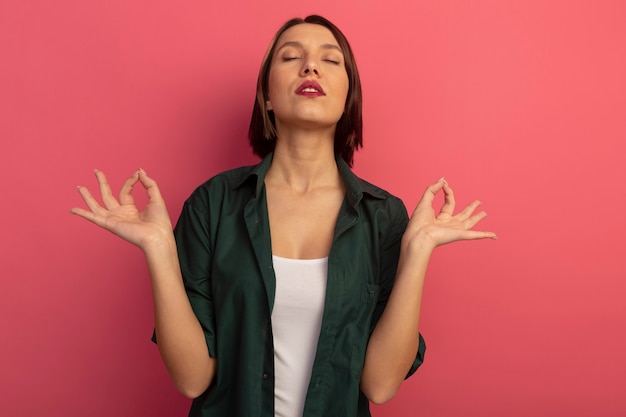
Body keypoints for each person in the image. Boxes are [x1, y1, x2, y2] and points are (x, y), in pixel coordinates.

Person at [71, 15, 496, 417]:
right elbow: (192, 379)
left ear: (348, 98)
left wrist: (418, 250)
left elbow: (380, 386)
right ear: (268, 96)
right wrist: (159, 248)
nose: (311, 66)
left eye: (331, 60)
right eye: (291, 57)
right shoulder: (213, 204)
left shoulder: (383, 217)